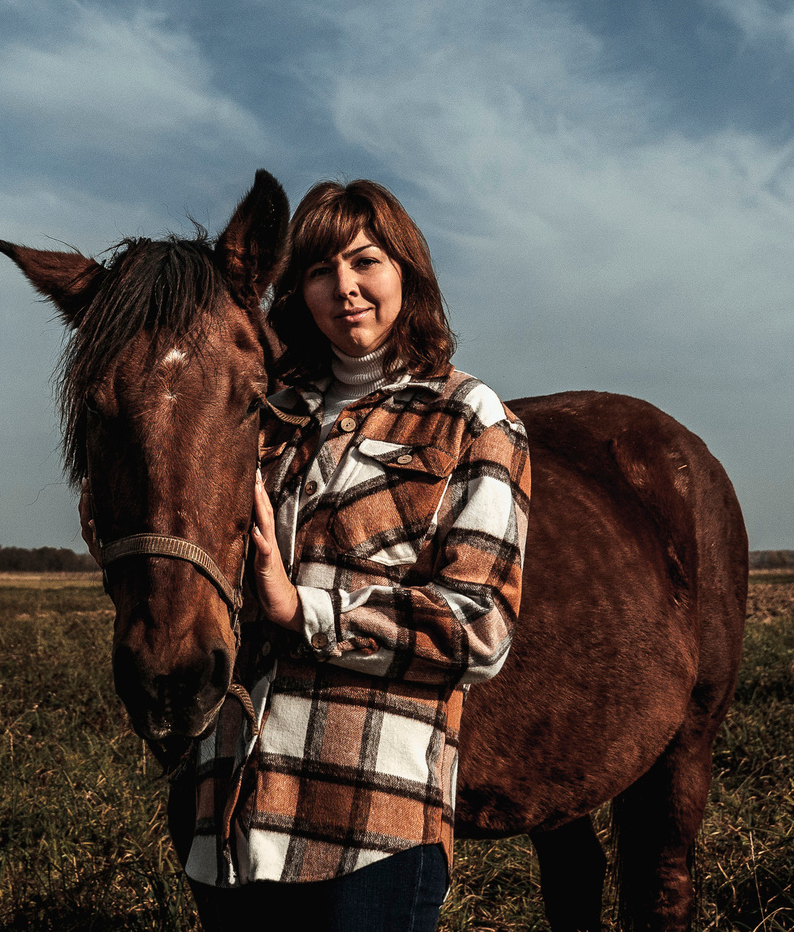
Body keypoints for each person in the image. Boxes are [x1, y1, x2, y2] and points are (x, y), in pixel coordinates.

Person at [172, 179, 531, 932]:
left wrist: (301, 608)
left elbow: (481, 626)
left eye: (366, 260)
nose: (345, 286)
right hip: (231, 814)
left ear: (408, 271)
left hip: (368, 825)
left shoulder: (471, 419)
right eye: (319, 270)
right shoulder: (261, 417)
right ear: (298, 291)